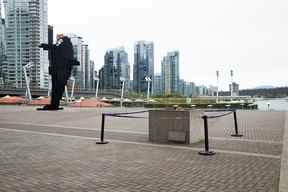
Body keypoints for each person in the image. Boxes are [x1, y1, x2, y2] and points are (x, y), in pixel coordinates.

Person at [38, 34, 77, 110]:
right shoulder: (69, 45)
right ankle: (55, 104)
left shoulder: (62, 40)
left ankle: (54, 105)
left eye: (57, 37)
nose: (57, 39)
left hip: (59, 70)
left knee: (56, 88)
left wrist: (44, 46)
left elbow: (55, 47)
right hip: (64, 70)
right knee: (59, 88)